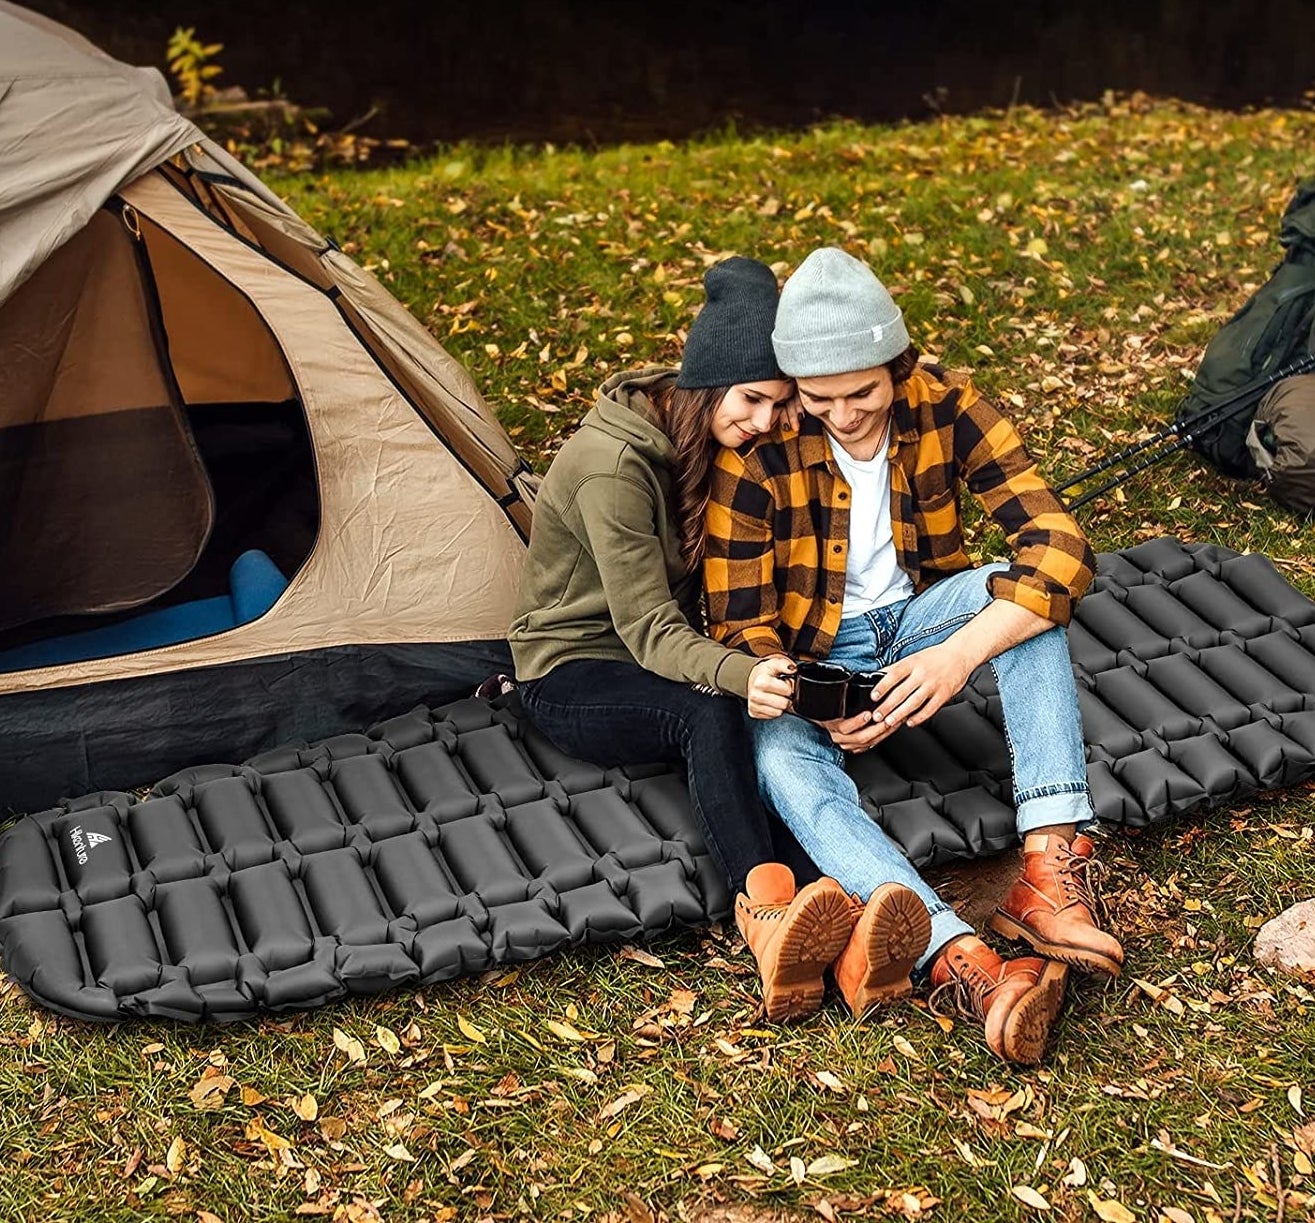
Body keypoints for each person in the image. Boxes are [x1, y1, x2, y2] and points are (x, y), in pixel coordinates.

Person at [704, 247, 1121, 1064]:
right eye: (819, 399)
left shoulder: (947, 404)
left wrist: (956, 657)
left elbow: (1060, 546)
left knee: (1019, 597)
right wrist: (818, 697)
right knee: (782, 766)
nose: (845, 413)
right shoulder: (761, 450)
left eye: (861, 391)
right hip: (818, 657)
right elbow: (739, 624)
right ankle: (959, 957)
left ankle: (1046, 868)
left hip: (924, 623)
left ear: (896, 361)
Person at [508, 257, 932, 1022]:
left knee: (752, 716)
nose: (765, 422)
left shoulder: (701, 441)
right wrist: (739, 672)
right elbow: (643, 628)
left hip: (667, 654)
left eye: (777, 403)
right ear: (705, 383)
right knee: (707, 711)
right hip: (572, 667)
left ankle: (838, 930)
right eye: (753, 400)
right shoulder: (614, 466)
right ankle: (767, 917)